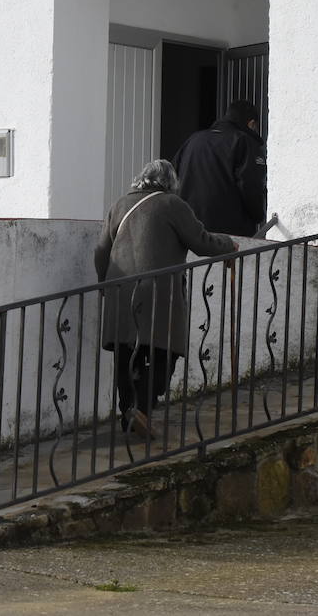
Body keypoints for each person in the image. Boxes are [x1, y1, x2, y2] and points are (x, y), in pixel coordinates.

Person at [94, 159, 236, 439]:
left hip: (120, 291)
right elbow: (201, 240)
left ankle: (129, 411)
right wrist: (229, 245)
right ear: (170, 183)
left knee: (127, 354)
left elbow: (101, 252)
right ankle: (142, 410)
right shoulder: (172, 205)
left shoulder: (119, 205)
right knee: (164, 352)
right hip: (159, 294)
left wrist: (104, 285)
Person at [172, 100, 266, 237]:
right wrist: (259, 215)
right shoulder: (245, 142)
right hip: (228, 234)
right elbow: (250, 185)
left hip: (188, 230)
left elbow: (170, 176)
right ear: (251, 124)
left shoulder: (193, 140)